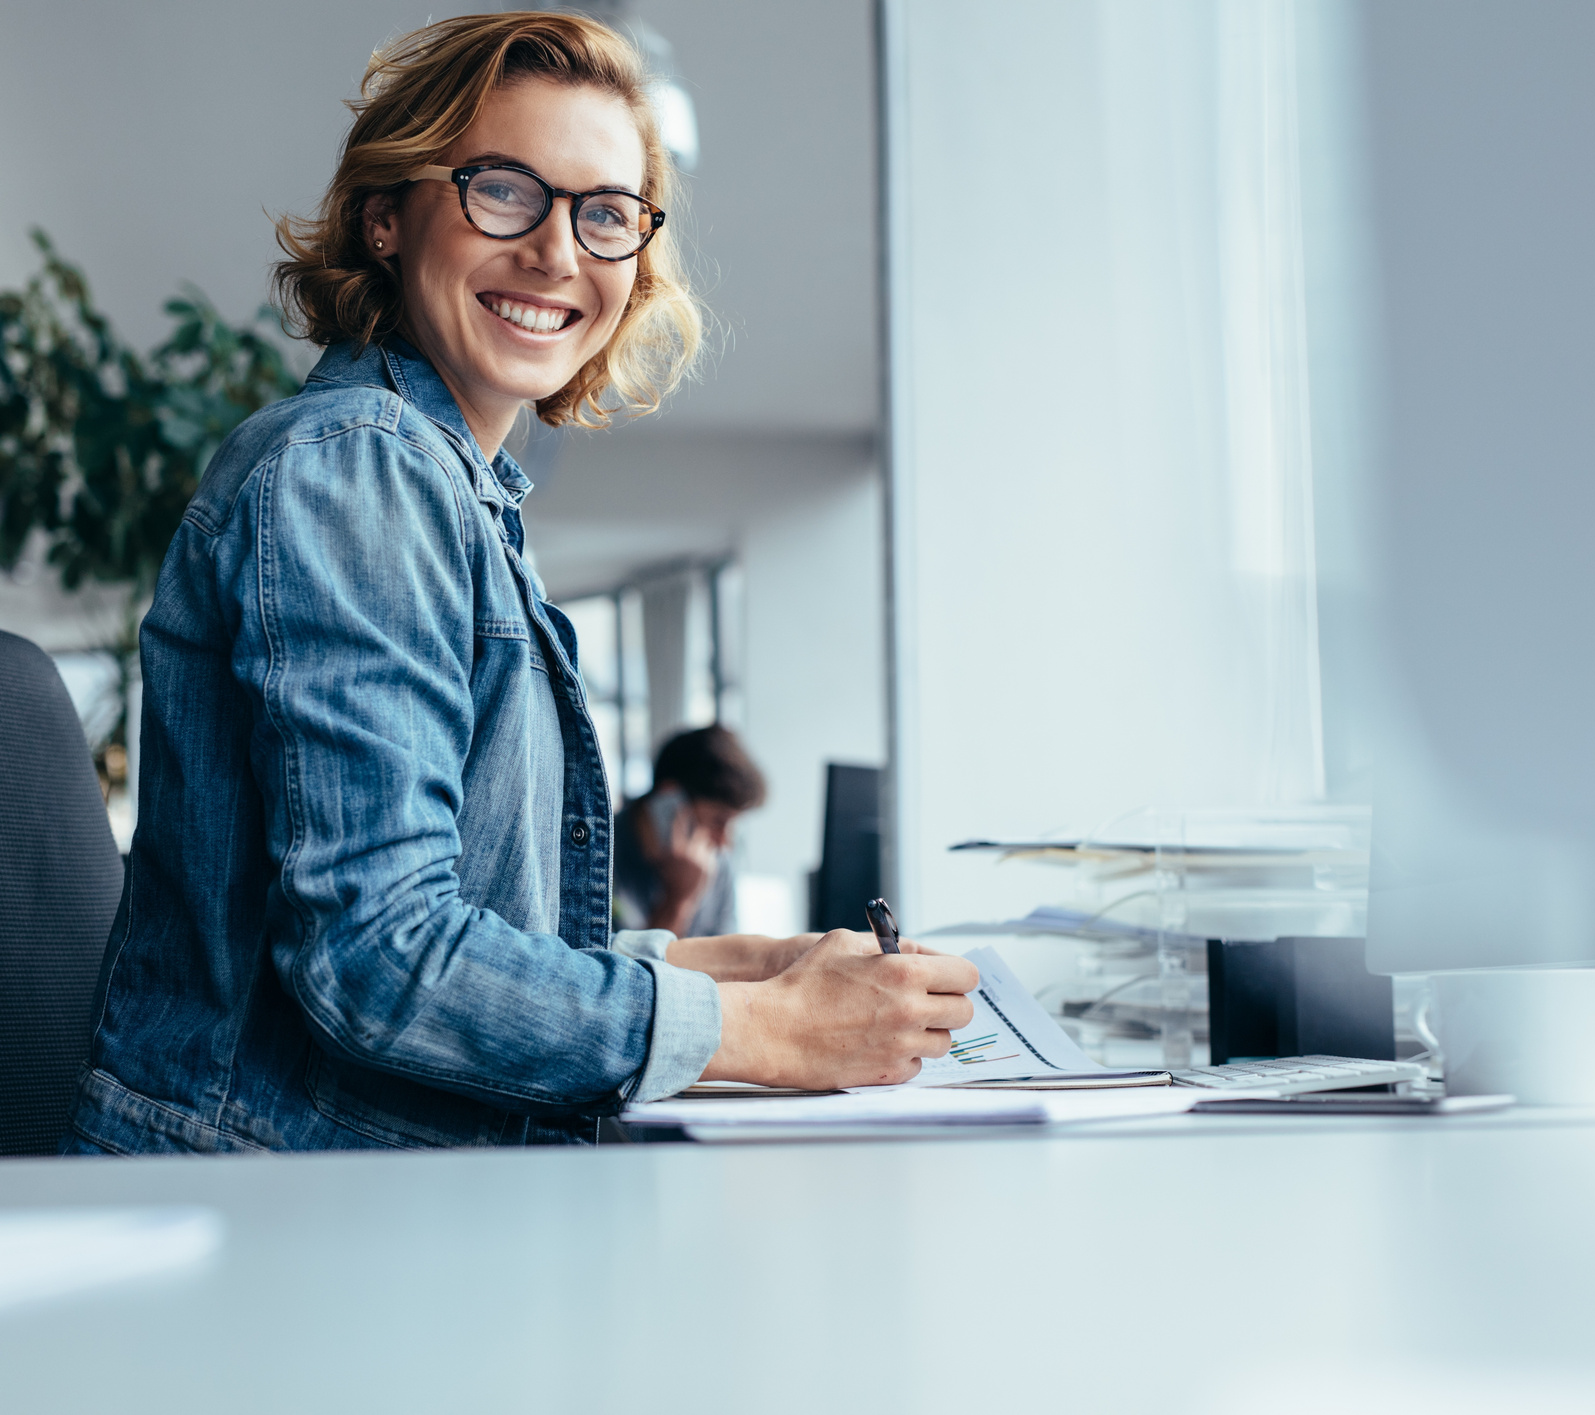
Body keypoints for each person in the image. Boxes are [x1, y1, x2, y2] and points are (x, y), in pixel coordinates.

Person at [62, 11, 974, 1154]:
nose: (557, 252)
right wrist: (767, 1034)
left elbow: (473, 931)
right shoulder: (359, 465)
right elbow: (378, 957)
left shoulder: (454, 492)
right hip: (280, 1211)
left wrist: (737, 971)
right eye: (504, 190)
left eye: (605, 215)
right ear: (387, 217)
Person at [614, 726, 765, 938]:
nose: (724, 843)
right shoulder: (599, 858)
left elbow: (727, 963)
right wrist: (678, 901)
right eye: (718, 821)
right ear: (670, 800)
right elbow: (622, 968)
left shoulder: (718, 862)